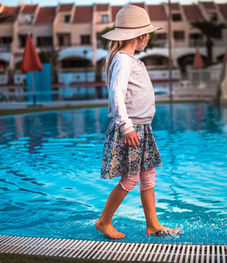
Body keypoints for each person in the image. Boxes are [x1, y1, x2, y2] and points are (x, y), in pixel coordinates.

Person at [95, 4, 181, 239]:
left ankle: (153, 224)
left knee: (147, 174)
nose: (148, 38)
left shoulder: (132, 60)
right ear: (141, 35)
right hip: (131, 128)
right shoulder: (123, 60)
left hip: (142, 128)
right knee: (131, 177)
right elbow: (116, 95)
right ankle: (104, 221)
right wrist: (126, 127)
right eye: (148, 34)